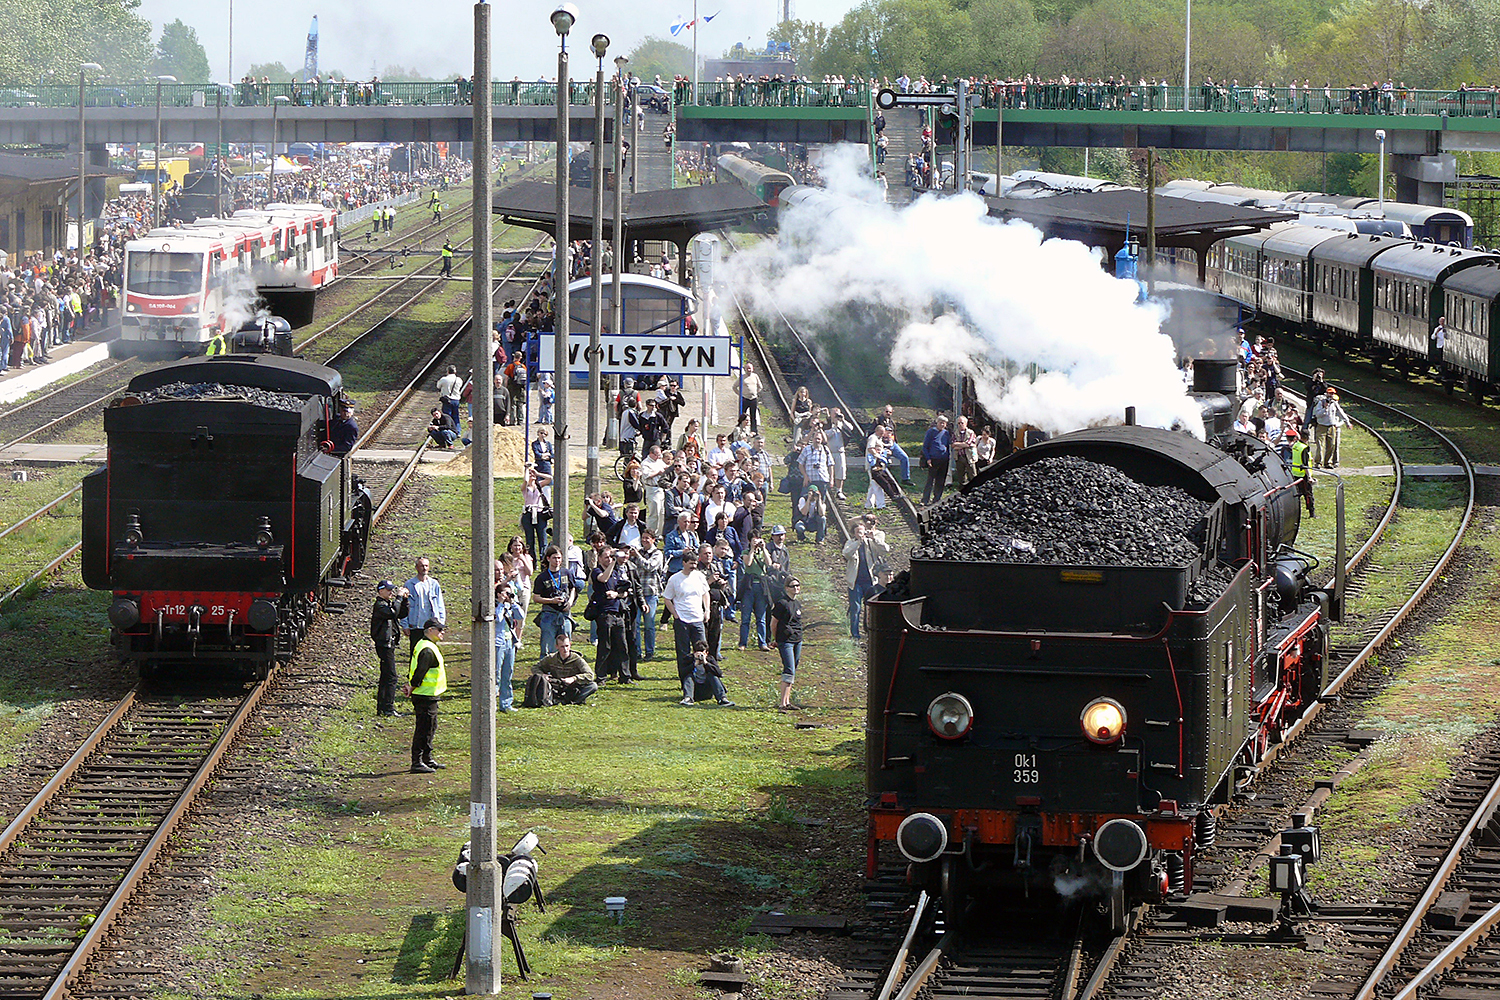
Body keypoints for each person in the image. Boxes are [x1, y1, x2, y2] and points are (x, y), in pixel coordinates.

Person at [662, 551, 711, 694]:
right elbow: (667, 598)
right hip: (682, 620)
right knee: (683, 653)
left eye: (695, 563)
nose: (693, 566)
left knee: (702, 650)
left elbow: (705, 593)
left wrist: (706, 610)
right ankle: (685, 682)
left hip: (697, 619)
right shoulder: (675, 579)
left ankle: (701, 681)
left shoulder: (700, 576)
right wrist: (675, 615)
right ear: (684, 563)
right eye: (691, 563)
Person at [403, 619, 448, 774]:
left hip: (428, 695)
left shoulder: (426, 645)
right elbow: (419, 673)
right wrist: (411, 687)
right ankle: (417, 761)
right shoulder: (427, 649)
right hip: (424, 696)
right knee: (424, 729)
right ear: (430, 630)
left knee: (431, 727)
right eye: (440, 630)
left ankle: (427, 758)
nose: (443, 633)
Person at [588, 544, 634, 683]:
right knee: (605, 646)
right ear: (600, 558)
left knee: (622, 645)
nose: (609, 559)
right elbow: (603, 579)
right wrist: (613, 563)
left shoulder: (615, 572)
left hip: (617, 613)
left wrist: (617, 594)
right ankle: (601, 676)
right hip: (604, 613)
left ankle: (625, 676)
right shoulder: (596, 571)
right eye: (606, 557)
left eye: (610, 557)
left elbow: (624, 591)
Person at [842, 520, 889, 640]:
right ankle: (855, 634)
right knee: (856, 608)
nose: (860, 534)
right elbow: (846, 554)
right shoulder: (850, 543)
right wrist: (858, 542)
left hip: (870, 581)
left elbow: (885, 549)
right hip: (855, 582)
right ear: (854, 533)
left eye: (862, 531)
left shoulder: (870, 543)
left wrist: (874, 539)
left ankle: (870, 631)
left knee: (871, 608)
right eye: (858, 532)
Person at [370, 580, 409, 717]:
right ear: (381, 591)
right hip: (384, 644)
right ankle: (388, 708)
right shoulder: (380, 606)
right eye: (388, 590)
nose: (391, 592)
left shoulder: (386, 604)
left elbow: (401, 613)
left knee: (386, 676)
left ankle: (383, 707)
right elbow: (392, 613)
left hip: (389, 643)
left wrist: (404, 601)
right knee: (391, 677)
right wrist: (398, 598)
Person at [532, 544, 576, 657]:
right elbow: (536, 597)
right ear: (548, 558)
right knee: (548, 645)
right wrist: (552, 601)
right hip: (549, 614)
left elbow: (573, 588)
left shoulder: (567, 573)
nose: (557, 561)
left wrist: (570, 602)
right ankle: (546, 670)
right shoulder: (542, 577)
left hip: (565, 613)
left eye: (559, 558)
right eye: (554, 558)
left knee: (566, 642)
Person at [532, 633, 598, 704]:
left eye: (567, 646)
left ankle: (573, 701)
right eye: (562, 647)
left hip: (572, 686)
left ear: (570, 644)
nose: (565, 649)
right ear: (557, 647)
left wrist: (574, 678)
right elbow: (535, 667)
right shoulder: (551, 658)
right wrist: (543, 675)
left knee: (593, 686)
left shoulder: (577, 659)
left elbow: (590, 675)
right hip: (556, 685)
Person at [769, 577, 803, 710]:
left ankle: (787, 701)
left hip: (797, 639)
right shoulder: (781, 603)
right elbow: (773, 623)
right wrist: (776, 639)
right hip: (785, 640)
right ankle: (782, 703)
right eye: (793, 586)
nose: (796, 588)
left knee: (793, 669)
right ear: (787, 588)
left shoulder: (797, 604)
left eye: (798, 586)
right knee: (789, 669)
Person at [402, 557, 446, 652]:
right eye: (422, 566)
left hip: (431, 627)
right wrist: (405, 625)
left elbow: (440, 605)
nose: (424, 568)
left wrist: (440, 623)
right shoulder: (409, 584)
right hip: (415, 626)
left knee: (429, 652)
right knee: (415, 652)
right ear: (417, 567)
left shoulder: (434, 584)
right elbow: (404, 607)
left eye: (426, 566)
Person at [739, 532, 772, 650]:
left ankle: (762, 642)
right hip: (749, 586)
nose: (757, 541)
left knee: (761, 618)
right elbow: (748, 563)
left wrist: (764, 549)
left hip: (761, 586)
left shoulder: (763, 553)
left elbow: (769, 563)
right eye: (754, 539)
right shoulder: (745, 552)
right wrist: (752, 549)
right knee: (745, 618)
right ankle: (743, 643)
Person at [495, 582, 524, 712]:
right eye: (505, 593)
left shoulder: (511, 605)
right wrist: (501, 604)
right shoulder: (495, 606)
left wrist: (512, 604)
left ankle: (506, 703)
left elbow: (521, 616)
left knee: (508, 673)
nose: (508, 595)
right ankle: (491, 703)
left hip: (510, 642)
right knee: (496, 674)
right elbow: (498, 618)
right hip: (498, 643)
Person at [681, 639, 734, 707]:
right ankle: (688, 698)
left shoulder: (710, 659)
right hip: (694, 690)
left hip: (707, 689)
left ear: (706, 653)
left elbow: (719, 673)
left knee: (712, 675)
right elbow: (682, 674)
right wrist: (694, 664)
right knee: (689, 676)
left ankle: (722, 699)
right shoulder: (688, 659)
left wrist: (706, 663)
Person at [1311, 387, 1350, 469]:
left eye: (1332, 393)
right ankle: (1318, 462)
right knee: (1320, 445)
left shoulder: (1334, 403)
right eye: (1330, 393)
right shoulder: (1321, 402)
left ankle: (1327, 462)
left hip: (1331, 427)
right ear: (1326, 393)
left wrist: (1347, 422)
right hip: (1321, 426)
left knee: (1331, 445)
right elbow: (1317, 414)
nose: (1331, 395)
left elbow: (1341, 412)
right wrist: (1324, 408)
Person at [921, 413, 952, 505]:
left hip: (944, 459)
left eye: (944, 423)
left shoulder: (946, 433)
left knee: (941, 480)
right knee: (930, 480)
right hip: (934, 459)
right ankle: (925, 499)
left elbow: (948, 444)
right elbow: (925, 446)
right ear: (937, 422)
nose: (942, 424)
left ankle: (937, 499)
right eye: (940, 422)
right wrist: (928, 458)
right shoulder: (931, 432)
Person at [950, 415, 977, 488]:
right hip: (959, 457)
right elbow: (953, 444)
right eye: (958, 423)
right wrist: (964, 444)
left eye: (962, 423)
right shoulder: (955, 433)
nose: (960, 425)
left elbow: (969, 443)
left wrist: (958, 445)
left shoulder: (971, 432)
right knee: (961, 476)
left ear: (966, 423)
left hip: (969, 457)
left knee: (972, 475)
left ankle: (974, 489)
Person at [436, 364, 464, 437]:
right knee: (456, 416)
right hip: (456, 399)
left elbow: (438, 386)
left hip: (447, 400)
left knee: (447, 416)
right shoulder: (459, 379)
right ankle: (458, 431)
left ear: (447, 371)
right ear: (455, 371)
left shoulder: (444, 379)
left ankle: (449, 429)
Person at [741, 361, 762, 433]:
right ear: (745, 369)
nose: (748, 370)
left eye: (750, 368)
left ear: (752, 369)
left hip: (753, 399)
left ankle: (754, 431)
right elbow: (734, 387)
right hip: (745, 398)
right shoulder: (742, 377)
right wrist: (740, 394)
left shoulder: (755, 376)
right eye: (747, 368)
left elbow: (760, 386)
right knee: (742, 415)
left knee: (753, 416)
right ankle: (741, 429)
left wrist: (755, 392)